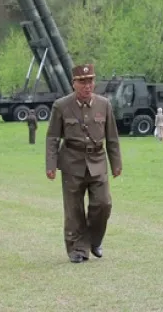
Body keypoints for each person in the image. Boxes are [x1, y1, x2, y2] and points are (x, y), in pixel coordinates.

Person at [45, 63, 123, 263]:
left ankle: (94, 240)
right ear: (74, 83)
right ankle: (77, 250)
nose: (87, 85)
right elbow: (52, 137)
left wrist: (116, 163)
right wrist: (51, 165)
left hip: (98, 161)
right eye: (82, 82)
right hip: (72, 161)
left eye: (90, 81)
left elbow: (112, 137)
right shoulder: (61, 106)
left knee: (103, 204)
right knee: (74, 210)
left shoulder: (104, 104)